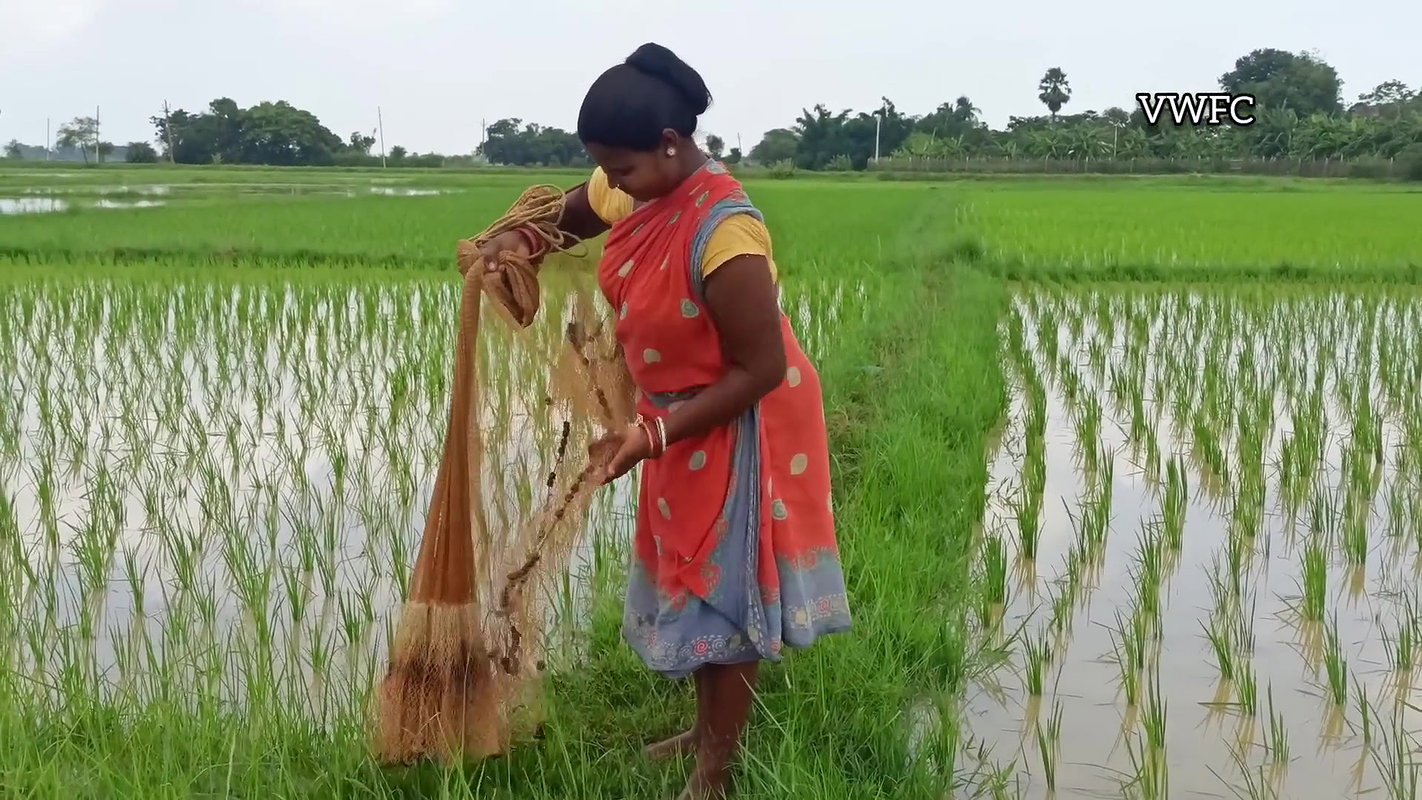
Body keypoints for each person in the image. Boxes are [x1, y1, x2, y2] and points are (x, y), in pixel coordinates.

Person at [478, 42, 852, 800]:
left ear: (672, 146)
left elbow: (761, 370)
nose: (612, 186)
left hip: (743, 419)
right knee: (691, 566)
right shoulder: (643, 189)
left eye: (622, 170)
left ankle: (714, 770)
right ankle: (703, 726)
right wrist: (519, 240)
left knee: (730, 589)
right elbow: (570, 217)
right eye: (607, 171)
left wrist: (650, 436)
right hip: (676, 418)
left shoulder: (726, 234)